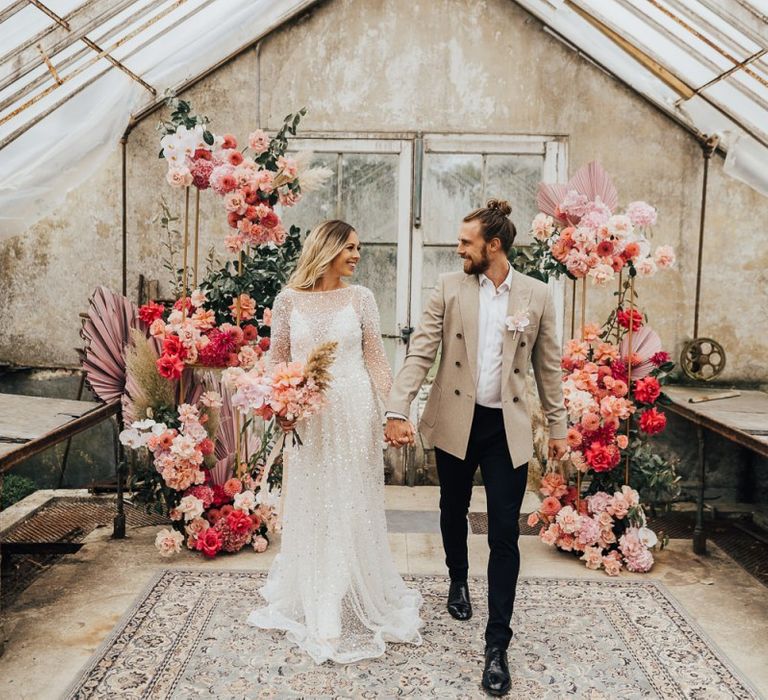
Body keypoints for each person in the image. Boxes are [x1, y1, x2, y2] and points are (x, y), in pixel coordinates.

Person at [385, 199, 567, 696]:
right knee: (453, 508)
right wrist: (397, 407)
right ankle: (457, 576)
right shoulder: (448, 288)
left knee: (505, 531)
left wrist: (557, 427)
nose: (457, 248)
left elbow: (549, 369)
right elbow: (421, 350)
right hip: (456, 420)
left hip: (506, 427)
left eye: (466, 242)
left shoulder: (538, 295)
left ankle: (497, 645)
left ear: (495, 245)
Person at [247, 219, 423, 664]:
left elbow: (376, 361)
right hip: (308, 417)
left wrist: (395, 413)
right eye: (350, 247)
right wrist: (281, 407)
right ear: (326, 248)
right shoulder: (288, 300)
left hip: (354, 412)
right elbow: (277, 360)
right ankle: (315, 587)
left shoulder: (361, 298)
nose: (357, 255)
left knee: (349, 498)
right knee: (313, 499)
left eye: (359, 248)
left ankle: (331, 601)